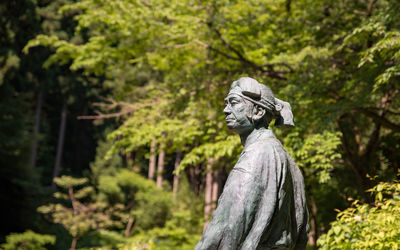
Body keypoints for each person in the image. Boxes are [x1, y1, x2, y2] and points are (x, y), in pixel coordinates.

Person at [195, 77, 309, 250]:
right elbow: (303, 231)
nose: (226, 110)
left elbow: (225, 227)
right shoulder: (286, 159)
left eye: (234, 102)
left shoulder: (256, 155)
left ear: (258, 112)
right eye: (226, 103)